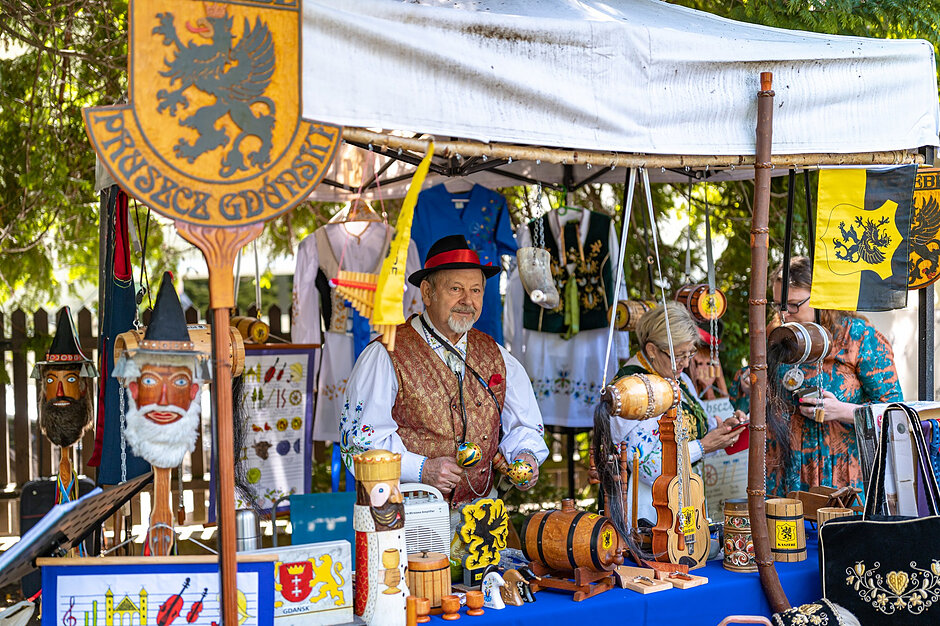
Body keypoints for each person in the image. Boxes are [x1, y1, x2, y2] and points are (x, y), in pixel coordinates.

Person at [340, 235, 548, 507]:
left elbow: (525, 425)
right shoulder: (385, 354)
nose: (467, 301)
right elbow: (358, 445)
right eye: (456, 289)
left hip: (483, 514)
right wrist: (421, 469)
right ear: (427, 293)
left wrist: (526, 455)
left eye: (476, 291)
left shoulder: (497, 355)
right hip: (410, 516)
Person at [767, 256, 902, 496]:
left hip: (844, 475)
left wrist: (841, 410)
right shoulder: (777, 333)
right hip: (788, 473)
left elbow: (894, 413)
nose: (785, 314)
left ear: (821, 298)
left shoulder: (859, 337)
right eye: (778, 305)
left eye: (794, 304)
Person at [610, 301, 744, 523]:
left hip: (684, 498)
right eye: (679, 355)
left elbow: (697, 432)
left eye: (690, 353)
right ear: (652, 350)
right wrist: (703, 446)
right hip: (646, 510)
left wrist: (723, 431)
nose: (686, 363)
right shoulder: (630, 392)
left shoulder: (678, 378)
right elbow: (646, 466)